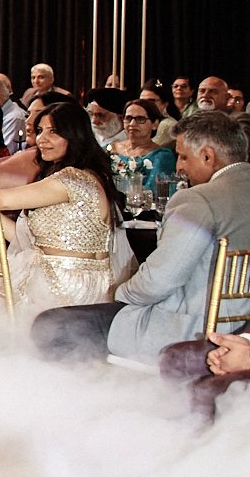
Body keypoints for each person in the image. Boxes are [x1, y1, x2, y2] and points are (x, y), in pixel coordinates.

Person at [33, 113, 250, 363]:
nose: (179, 167)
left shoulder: (198, 199)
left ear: (208, 156)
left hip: (190, 329)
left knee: (50, 325)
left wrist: (119, 293)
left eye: (183, 157)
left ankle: (101, 387)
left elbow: (160, 280)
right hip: (242, 330)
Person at [0, 101, 124, 322]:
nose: (41, 139)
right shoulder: (74, 175)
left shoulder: (74, 179)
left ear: (74, 135)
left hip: (68, 284)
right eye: (40, 130)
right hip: (58, 274)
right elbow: (25, 238)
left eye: (53, 132)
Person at [109, 97, 175, 199]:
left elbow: (154, 194)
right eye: (128, 118)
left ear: (155, 124)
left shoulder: (161, 156)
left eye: (140, 119)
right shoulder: (111, 148)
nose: (132, 124)